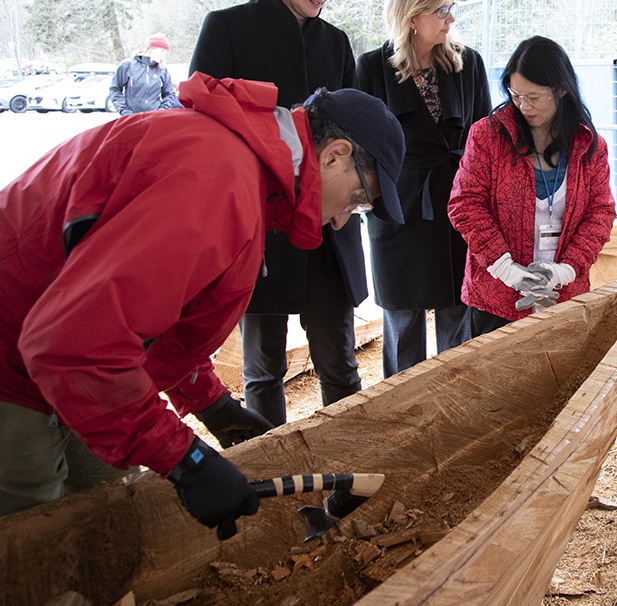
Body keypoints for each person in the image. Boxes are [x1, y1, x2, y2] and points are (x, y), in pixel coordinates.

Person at [0, 75, 406, 540]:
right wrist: (186, 460)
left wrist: (210, 403)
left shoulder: (245, 173)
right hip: (14, 361)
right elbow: (75, 343)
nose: (339, 220)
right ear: (335, 153)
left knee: (107, 516)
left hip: (55, 355)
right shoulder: (217, 179)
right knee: (32, 543)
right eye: (356, 201)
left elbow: (158, 319)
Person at [190, 0, 366, 428]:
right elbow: (204, 125)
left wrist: (349, 201)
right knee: (262, 370)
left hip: (327, 225)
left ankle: (346, 474)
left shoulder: (335, 42)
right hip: (258, 223)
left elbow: (357, 132)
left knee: (340, 362)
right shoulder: (226, 28)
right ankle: (271, 482)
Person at [356, 0, 491, 377]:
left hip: (455, 202)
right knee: (402, 321)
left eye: (452, 8)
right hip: (398, 207)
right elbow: (360, 147)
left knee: (457, 315)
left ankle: (456, 409)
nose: (451, 18)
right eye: (442, 9)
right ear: (412, 16)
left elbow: (483, 137)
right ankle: (400, 416)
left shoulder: (468, 63)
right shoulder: (370, 67)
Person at [447, 35, 616, 337]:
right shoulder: (488, 136)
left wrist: (566, 270)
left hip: (564, 296)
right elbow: (465, 204)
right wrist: (505, 269)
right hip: (495, 297)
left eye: (534, 97)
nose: (523, 106)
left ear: (562, 89)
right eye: (515, 95)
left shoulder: (589, 145)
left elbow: (600, 214)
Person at [107, 34, 179, 115]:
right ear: (152, 49)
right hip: (131, 118)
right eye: (162, 51)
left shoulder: (162, 70)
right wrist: (124, 111)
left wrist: (161, 111)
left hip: (154, 119)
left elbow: (169, 94)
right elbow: (115, 89)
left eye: (165, 52)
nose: (163, 55)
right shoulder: (127, 65)